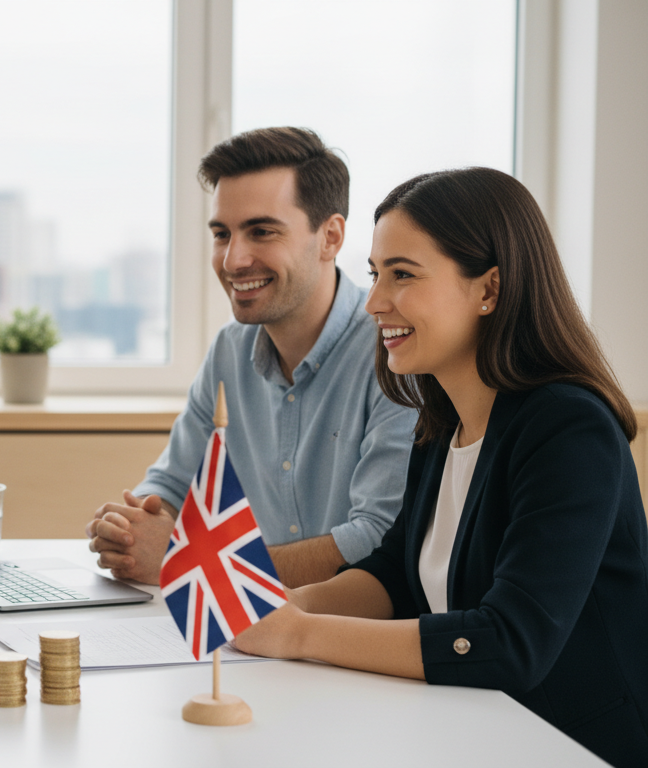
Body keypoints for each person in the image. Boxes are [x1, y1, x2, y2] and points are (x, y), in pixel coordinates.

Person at [232, 167, 648, 766]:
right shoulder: (442, 420)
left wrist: (299, 634)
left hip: (573, 746)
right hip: (474, 729)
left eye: (402, 275)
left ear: (489, 289)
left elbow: (511, 642)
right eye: (375, 275)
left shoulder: (569, 427)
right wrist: (291, 603)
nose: (374, 302)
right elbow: (396, 576)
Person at [86, 127, 417, 588]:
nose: (233, 260)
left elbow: (379, 539)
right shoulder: (230, 350)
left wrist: (190, 558)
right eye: (222, 234)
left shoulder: (394, 352)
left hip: (349, 638)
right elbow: (171, 487)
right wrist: (129, 529)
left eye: (262, 231)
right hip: (253, 630)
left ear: (330, 237)